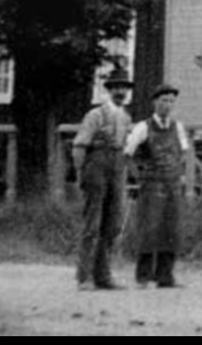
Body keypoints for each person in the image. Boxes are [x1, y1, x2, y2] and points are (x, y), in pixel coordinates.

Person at [72, 67, 135, 291]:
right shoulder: (95, 115)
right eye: (116, 87)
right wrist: (81, 174)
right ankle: (85, 277)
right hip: (96, 166)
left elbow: (128, 147)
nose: (121, 92)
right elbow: (80, 146)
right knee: (92, 223)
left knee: (113, 224)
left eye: (124, 88)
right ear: (109, 90)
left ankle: (103, 275)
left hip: (117, 167)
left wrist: (129, 173)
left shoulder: (126, 117)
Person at [123, 84, 191, 289]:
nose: (167, 105)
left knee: (171, 228)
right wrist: (137, 177)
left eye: (171, 101)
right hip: (151, 184)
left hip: (172, 183)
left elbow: (184, 152)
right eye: (163, 101)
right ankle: (143, 276)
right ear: (155, 102)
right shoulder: (143, 127)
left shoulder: (177, 126)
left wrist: (179, 174)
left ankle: (165, 277)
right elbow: (127, 154)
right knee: (149, 228)